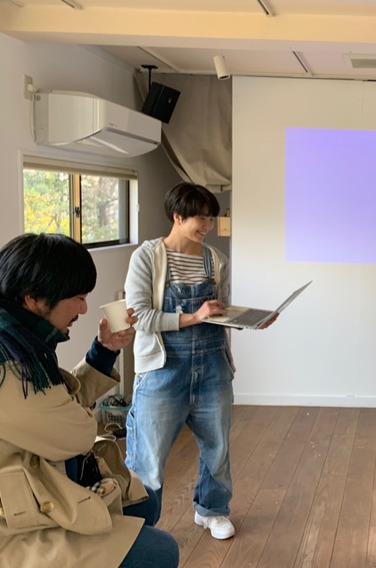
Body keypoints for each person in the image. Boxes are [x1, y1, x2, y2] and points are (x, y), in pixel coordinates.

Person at [0, 233, 179, 568]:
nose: (83, 308)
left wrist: (104, 351)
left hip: (40, 482)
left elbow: (56, 406)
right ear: (33, 298)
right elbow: (78, 432)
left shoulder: (19, 342)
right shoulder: (10, 367)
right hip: (15, 519)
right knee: (161, 551)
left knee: (146, 502)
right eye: (78, 297)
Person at [125, 183, 273, 541]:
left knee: (217, 447)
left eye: (210, 218)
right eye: (200, 219)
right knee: (148, 456)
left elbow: (217, 313)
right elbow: (139, 316)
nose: (207, 226)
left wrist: (248, 320)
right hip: (162, 369)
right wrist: (193, 316)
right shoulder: (148, 257)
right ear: (177, 216)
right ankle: (136, 526)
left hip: (212, 366)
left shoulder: (215, 261)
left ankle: (212, 510)